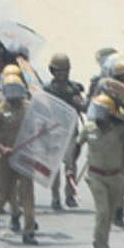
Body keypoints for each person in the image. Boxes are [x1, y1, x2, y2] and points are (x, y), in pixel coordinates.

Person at [0, 74, 37, 243]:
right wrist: (1, 148)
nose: (14, 95)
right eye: (11, 90)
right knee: (3, 192)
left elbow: (38, 130)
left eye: (17, 90)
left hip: (25, 158)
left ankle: (29, 231)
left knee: (27, 195)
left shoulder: (30, 108)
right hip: (5, 158)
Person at [81, 92, 124, 248]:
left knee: (108, 215)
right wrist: (70, 167)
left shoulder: (121, 129)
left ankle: (100, 240)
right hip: (96, 176)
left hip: (115, 177)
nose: (98, 116)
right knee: (102, 212)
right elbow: (77, 145)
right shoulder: (89, 128)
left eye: (103, 112)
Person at [45, 54, 85, 210]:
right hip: (54, 133)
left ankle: (70, 195)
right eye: (59, 71)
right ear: (53, 71)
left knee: (70, 166)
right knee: (54, 168)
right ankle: (55, 197)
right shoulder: (48, 90)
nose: (63, 74)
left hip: (70, 132)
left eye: (65, 70)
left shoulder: (73, 88)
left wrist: (79, 103)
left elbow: (83, 106)